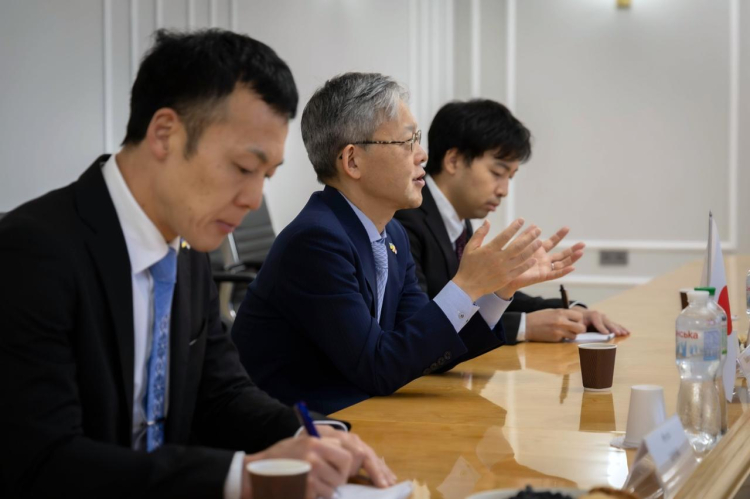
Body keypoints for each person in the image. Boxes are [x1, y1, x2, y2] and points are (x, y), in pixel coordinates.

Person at [0, 30, 394, 499]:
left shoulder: (186, 250)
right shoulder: (33, 251)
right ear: (165, 134)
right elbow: (44, 461)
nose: (254, 199)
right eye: (243, 168)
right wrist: (242, 477)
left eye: (266, 176)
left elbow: (222, 393)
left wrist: (311, 435)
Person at [231, 73, 583, 415]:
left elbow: (426, 348)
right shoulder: (316, 241)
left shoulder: (392, 234)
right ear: (353, 161)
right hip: (303, 429)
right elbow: (378, 367)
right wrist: (466, 285)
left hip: (363, 414)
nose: (422, 154)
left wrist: (500, 291)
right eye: (406, 142)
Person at [395, 99, 629, 343]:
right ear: (453, 161)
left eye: (510, 177)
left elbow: (480, 298)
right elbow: (424, 321)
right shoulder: (405, 218)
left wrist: (571, 309)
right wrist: (523, 326)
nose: (504, 191)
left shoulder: (457, 221)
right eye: (497, 173)